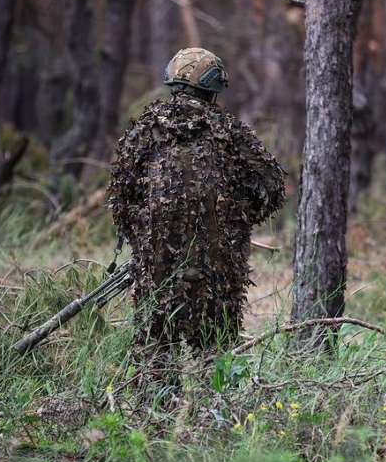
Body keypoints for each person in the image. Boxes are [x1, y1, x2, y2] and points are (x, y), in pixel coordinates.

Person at [108, 47, 287, 387]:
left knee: (157, 352)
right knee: (217, 351)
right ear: (211, 89)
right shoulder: (230, 131)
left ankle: (155, 427)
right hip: (219, 268)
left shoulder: (145, 129)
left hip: (157, 267)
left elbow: (120, 196)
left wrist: (143, 237)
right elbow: (273, 184)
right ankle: (216, 423)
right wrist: (238, 221)